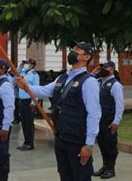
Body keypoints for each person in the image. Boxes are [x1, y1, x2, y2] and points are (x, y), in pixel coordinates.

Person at [16, 41, 101, 181]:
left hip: (77, 140)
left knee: (80, 177)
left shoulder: (89, 82)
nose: (73, 51)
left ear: (86, 57)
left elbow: (94, 114)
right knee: (65, 176)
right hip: (61, 137)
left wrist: (89, 145)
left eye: (77, 50)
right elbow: (44, 91)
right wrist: (26, 86)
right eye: (73, 48)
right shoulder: (63, 78)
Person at [91, 61, 124, 179]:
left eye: (105, 67)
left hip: (109, 120)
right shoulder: (99, 82)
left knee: (110, 145)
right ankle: (105, 166)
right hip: (99, 120)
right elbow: (87, 83)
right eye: (102, 68)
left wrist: (116, 121)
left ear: (112, 69)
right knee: (102, 144)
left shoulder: (115, 85)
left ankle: (111, 168)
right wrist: (93, 73)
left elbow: (120, 105)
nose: (103, 69)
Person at [16, 58, 40, 151]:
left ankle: (30, 144)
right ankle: (25, 142)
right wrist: (20, 66)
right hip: (21, 101)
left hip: (29, 102)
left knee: (29, 123)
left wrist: (34, 103)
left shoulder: (34, 75)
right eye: (26, 63)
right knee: (24, 123)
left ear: (32, 65)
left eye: (28, 64)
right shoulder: (23, 73)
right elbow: (15, 75)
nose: (26, 65)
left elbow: (37, 89)